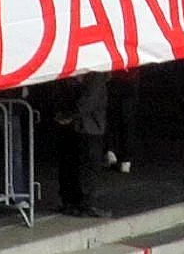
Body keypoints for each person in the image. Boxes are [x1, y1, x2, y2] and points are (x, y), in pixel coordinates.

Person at [51, 73, 112, 219]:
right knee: (87, 167)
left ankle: (71, 201)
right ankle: (84, 204)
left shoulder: (69, 76)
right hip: (89, 127)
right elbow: (89, 101)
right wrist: (70, 115)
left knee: (72, 164)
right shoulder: (96, 76)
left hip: (76, 126)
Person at [103, 68, 139, 174]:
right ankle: (125, 160)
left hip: (115, 81)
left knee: (112, 119)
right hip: (129, 81)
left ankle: (111, 151)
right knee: (127, 122)